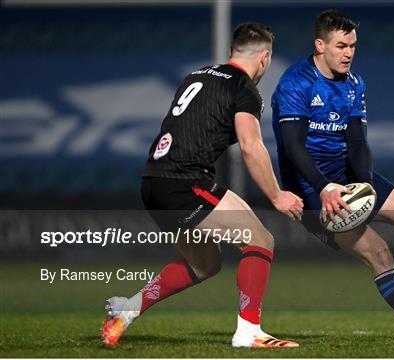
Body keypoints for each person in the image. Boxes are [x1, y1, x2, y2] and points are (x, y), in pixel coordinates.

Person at [101, 23, 303, 348]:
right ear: (265, 58)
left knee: (204, 264)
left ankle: (128, 308)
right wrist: (277, 195)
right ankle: (249, 332)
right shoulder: (244, 89)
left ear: (230, 53)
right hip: (184, 183)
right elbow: (252, 146)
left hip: (153, 182)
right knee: (260, 241)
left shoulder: (195, 76)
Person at [272, 10, 394, 342]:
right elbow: (292, 147)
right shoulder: (295, 83)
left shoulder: (354, 83)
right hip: (310, 187)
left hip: (346, 176)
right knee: (380, 252)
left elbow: (357, 143)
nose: (348, 53)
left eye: (353, 46)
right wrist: (323, 187)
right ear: (319, 45)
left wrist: (366, 184)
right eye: (341, 46)